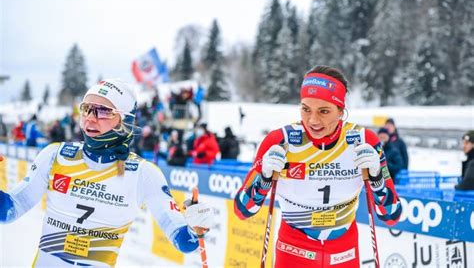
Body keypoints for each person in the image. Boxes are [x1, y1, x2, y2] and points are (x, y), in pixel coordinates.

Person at [0, 79, 213, 267]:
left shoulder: (143, 174)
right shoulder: (56, 155)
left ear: (124, 121)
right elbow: (9, 210)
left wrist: (196, 228)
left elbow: (184, 242)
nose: (90, 118)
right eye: (86, 109)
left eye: (103, 111)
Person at [234, 66, 402, 268]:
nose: (313, 120)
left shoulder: (364, 141)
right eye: (306, 109)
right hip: (293, 252)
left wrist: (377, 179)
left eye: (324, 111)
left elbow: (392, 215)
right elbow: (242, 210)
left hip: (343, 254)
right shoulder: (279, 141)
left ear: (341, 111)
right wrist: (264, 177)